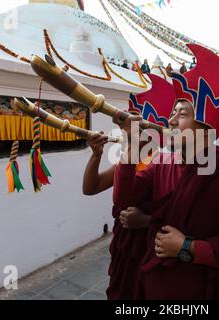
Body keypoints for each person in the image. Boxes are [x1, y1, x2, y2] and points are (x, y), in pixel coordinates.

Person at [113, 44, 219, 300]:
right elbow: (123, 200)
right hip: (157, 283)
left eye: (181, 115)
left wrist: (188, 247)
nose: (170, 121)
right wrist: (130, 148)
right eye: (172, 113)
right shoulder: (163, 163)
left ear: (206, 125)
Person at [82, 74, 176, 300]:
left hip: (152, 244)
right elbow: (91, 187)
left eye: (137, 127)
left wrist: (144, 221)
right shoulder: (128, 160)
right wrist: (96, 155)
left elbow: (179, 214)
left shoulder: (167, 163)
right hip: (126, 245)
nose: (128, 132)